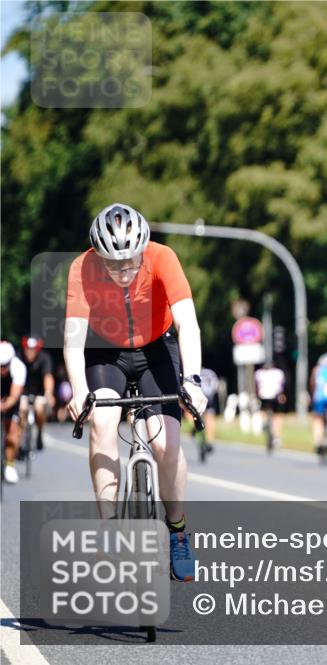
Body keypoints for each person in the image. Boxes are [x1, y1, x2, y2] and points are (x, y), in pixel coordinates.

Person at [64, 202, 208, 582]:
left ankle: (177, 532)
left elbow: (188, 325)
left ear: (143, 248)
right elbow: (73, 339)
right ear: (98, 255)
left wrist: (192, 381)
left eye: (130, 261)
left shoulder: (163, 257)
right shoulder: (81, 267)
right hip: (105, 352)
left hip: (156, 350)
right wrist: (79, 390)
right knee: (103, 422)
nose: (123, 271)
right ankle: (109, 530)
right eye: (113, 263)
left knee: (166, 445)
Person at [18, 335, 55, 454]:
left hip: (39, 392)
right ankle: (20, 438)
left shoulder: (44, 358)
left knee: (39, 409)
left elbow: (48, 377)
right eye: (27, 349)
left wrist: (49, 394)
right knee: (22, 409)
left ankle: (39, 431)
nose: (29, 352)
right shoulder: (19, 357)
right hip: (21, 391)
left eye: (32, 349)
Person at [1, 341, 27, 483]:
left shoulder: (19, 367)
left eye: (5, 366)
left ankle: (10, 465)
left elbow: (13, 397)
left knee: (11, 432)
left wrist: (4, 406)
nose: (2, 370)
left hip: (11, 396)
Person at [254, 361, 287, 448]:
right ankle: (277, 437)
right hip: (275, 397)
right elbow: (282, 386)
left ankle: (264, 422)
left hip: (263, 396)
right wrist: (282, 395)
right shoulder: (278, 373)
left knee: (263, 409)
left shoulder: (259, 373)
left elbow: (257, 386)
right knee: (278, 416)